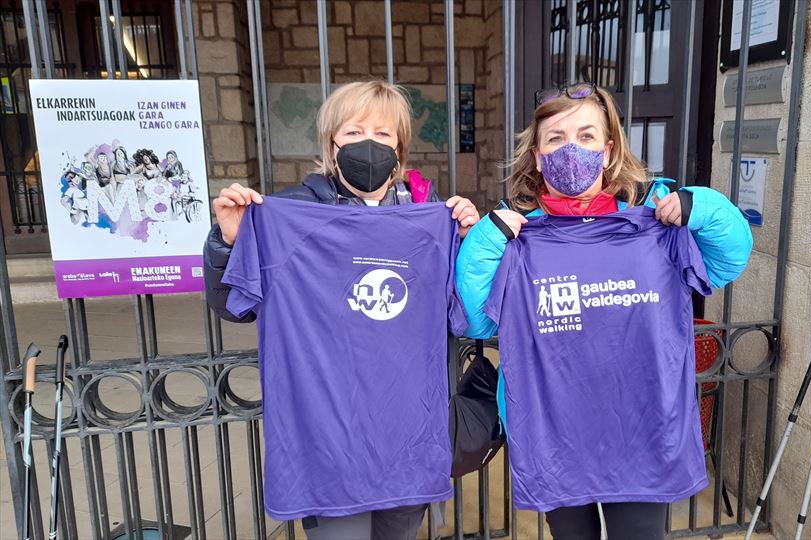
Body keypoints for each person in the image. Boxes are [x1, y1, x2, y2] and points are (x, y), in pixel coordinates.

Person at [455, 83, 753, 540]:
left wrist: (703, 208)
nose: (571, 148)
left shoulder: (655, 222)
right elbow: (474, 319)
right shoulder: (518, 238)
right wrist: (487, 240)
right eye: (555, 138)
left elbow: (728, 259)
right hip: (557, 436)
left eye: (586, 135)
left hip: (641, 430)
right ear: (536, 155)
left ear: (608, 148)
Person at [203, 80, 479, 540]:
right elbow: (233, 306)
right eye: (353, 131)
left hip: (405, 441)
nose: (367, 143)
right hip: (327, 443)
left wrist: (471, 249)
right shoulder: (287, 216)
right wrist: (228, 241)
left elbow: (470, 317)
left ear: (400, 149)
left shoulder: (434, 221)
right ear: (331, 144)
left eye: (383, 133)